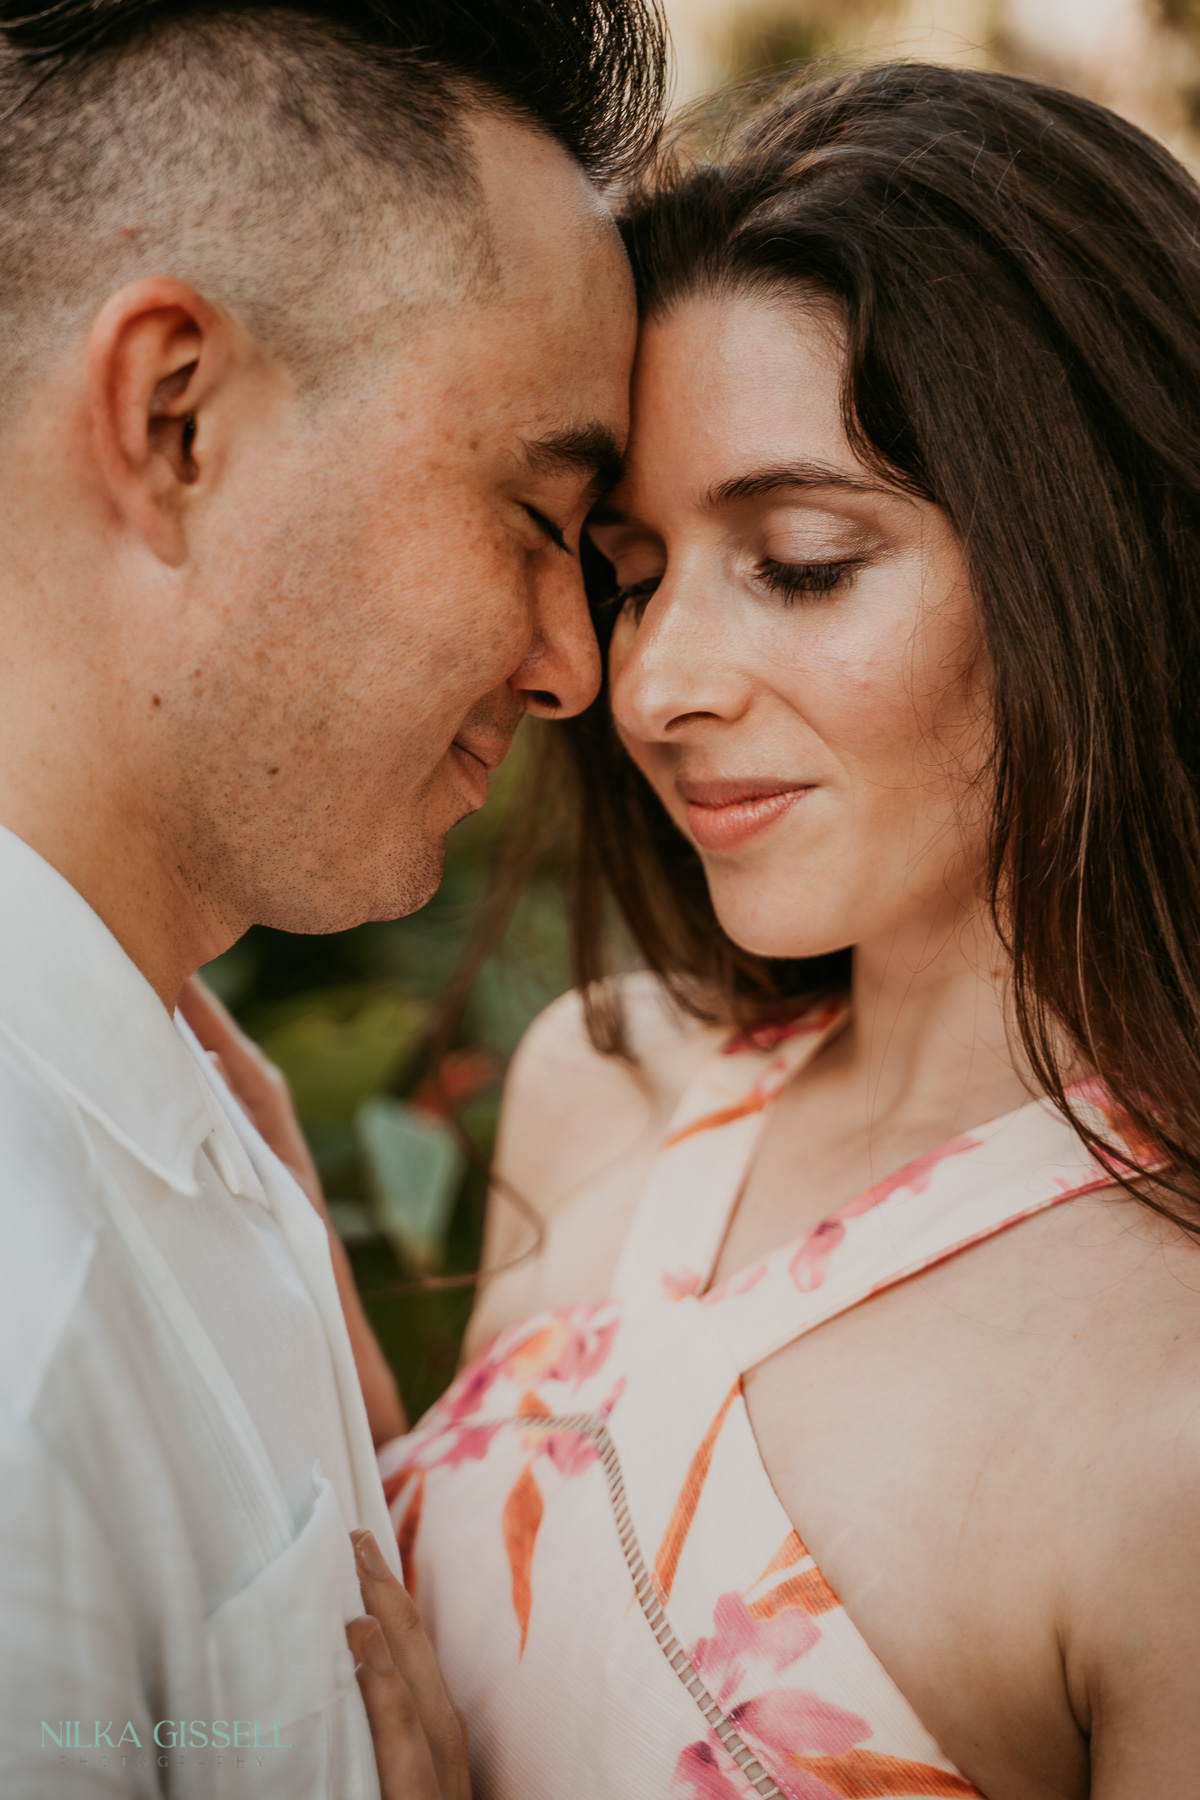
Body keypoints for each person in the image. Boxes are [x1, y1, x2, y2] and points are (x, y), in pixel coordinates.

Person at [364, 62, 1200, 1800]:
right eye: (634, 568)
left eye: (805, 561)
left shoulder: (1165, 1413)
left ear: (1106, 557)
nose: (649, 683)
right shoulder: (603, 1073)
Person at [0, 0, 666, 1793]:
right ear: (176, 418)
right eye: (540, 519)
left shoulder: (196, 1115)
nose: (575, 674)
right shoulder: (18, 1315)